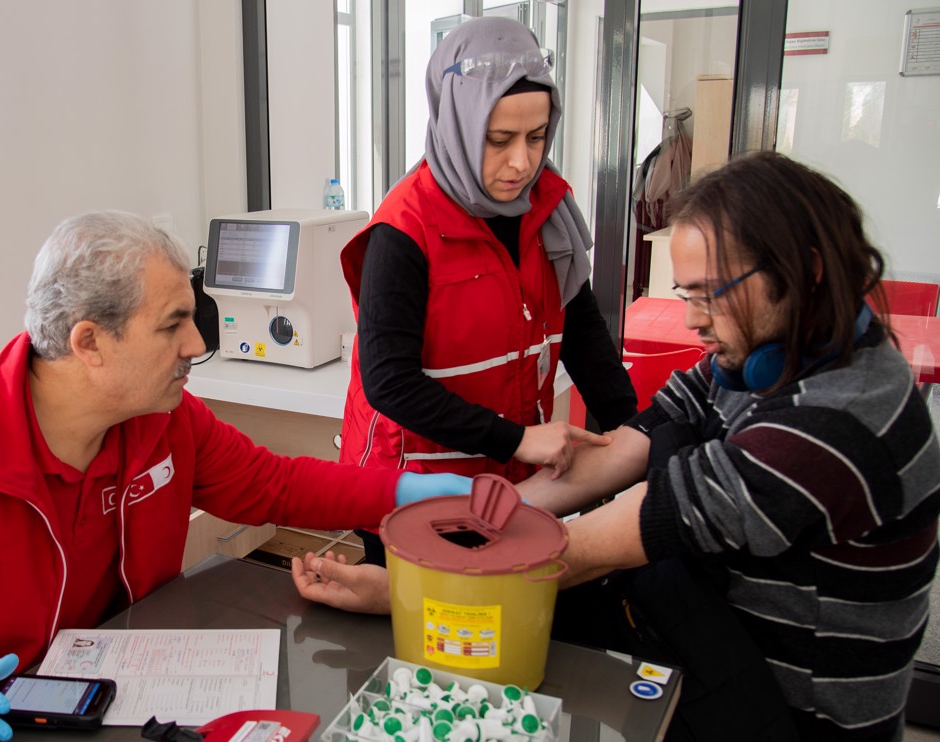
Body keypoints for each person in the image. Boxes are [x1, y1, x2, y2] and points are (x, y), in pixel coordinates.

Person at [0, 211, 470, 742]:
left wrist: (408, 494)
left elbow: (275, 486)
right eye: (173, 323)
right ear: (89, 342)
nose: (196, 344)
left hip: (83, 699)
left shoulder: (161, 418)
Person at [292, 151, 940, 741]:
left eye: (710, 295)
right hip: (723, 652)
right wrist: (484, 519)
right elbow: (627, 445)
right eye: (687, 296)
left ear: (808, 271)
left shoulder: (837, 424)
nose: (692, 321)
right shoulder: (755, 358)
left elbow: (589, 547)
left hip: (795, 718)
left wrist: (407, 590)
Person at [338, 17, 637, 566]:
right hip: (413, 486)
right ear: (458, 125)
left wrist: (635, 433)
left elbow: (584, 333)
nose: (521, 163)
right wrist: (518, 438)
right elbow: (389, 382)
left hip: (510, 485)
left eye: (537, 136)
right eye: (498, 141)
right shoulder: (404, 229)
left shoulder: (547, 209)